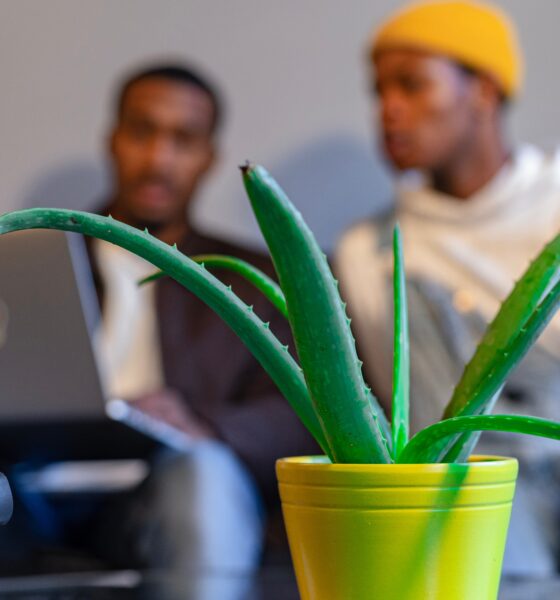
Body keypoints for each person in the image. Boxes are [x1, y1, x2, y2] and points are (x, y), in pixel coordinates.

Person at [5, 63, 318, 575]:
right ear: (112, 140)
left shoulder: (254, 279)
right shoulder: (31, 261)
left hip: (166, 485)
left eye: (184, 139)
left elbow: (306, 412)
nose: (158, 159)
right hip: (27, 488)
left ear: (210, 157)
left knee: (205, 472)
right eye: (142, 131)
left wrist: (202, 426)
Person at [336, 1, 560, 575]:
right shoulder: (369, 253)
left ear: (483, 90)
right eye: (379, 91)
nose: (389, 110)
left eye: (411, 85)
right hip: (467, 517)